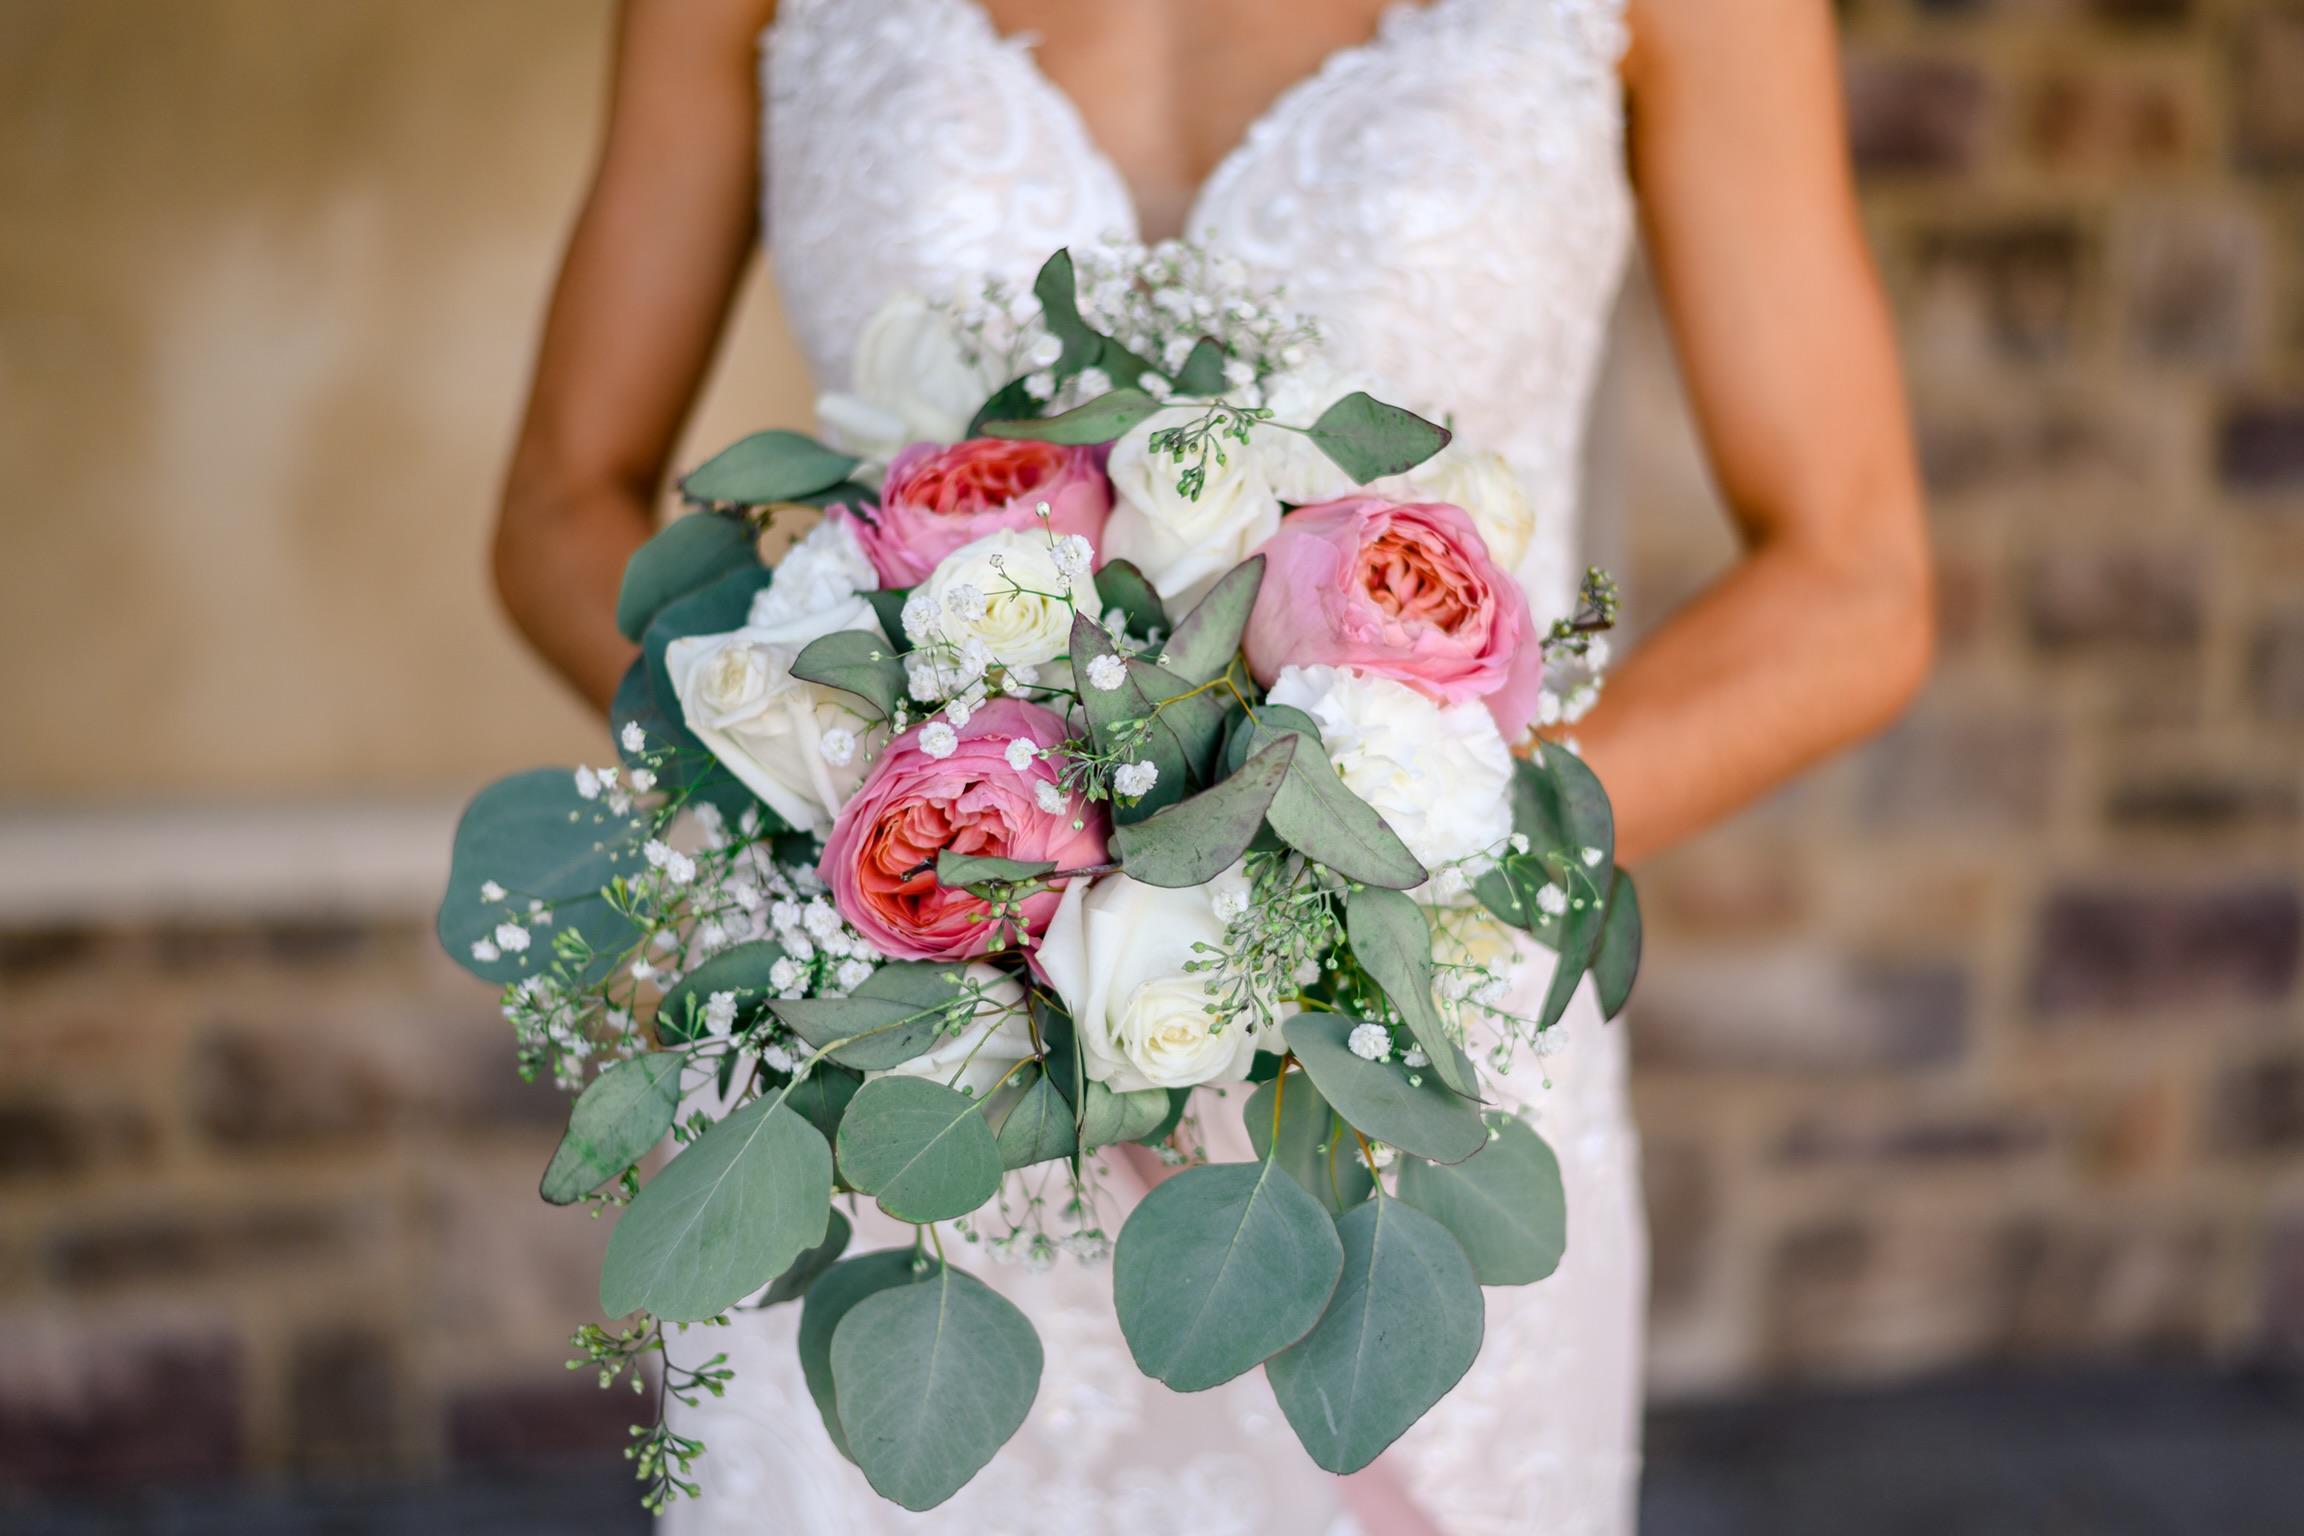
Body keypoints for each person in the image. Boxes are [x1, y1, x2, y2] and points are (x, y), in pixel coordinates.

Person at [494, 2, 1933, 1530]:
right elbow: (562, 506)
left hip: (1395, 1072)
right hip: (901, 1053)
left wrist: (1385, 863)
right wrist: (838, 776)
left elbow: (1853, 581)